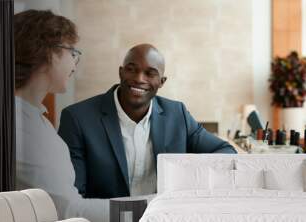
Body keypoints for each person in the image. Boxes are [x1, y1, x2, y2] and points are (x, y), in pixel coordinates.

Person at [58, 43, 236, 199]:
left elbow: (226, 152)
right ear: (121, 72)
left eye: (150, 73)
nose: (139, 78)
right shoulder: (78, 119)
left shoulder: (177, 115)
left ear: (161, 81)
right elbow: (74, 196)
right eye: (132, 69)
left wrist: (188, 179)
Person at [15, 10, 110, 222]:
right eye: (72, 52)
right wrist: (154, 206)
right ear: (48, 52)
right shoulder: (20, 127)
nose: (75, 64)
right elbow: (68, 212)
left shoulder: (37, 119)